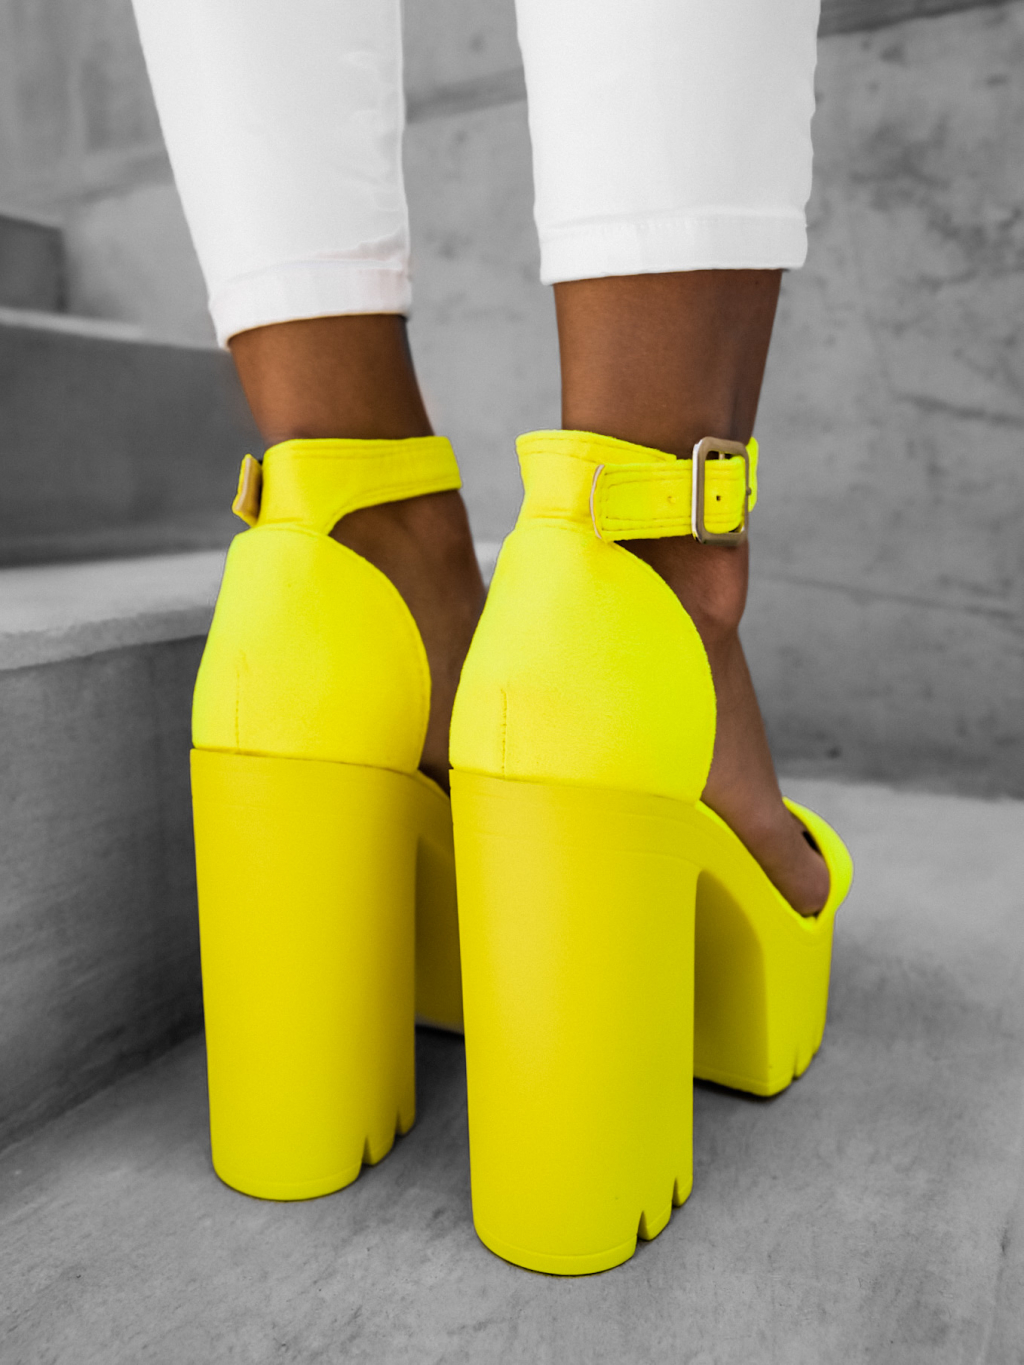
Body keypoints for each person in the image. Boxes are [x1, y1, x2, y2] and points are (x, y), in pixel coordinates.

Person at [132, 0, 851, 1275]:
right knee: (631, 593)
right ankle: (650, 582)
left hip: (284, 606)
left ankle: (346, 556)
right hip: (618, 659)